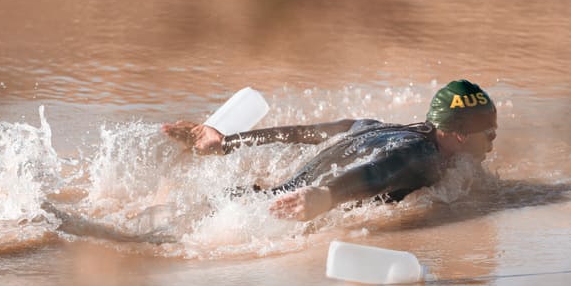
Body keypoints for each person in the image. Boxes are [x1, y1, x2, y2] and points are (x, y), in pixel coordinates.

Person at [162, 79, 498, 221]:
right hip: (280, 214)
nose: (492, 144)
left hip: (255, 200)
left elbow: (304, 133)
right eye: (490, 134)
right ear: (460, 134)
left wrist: (226, 143)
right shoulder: (425, 158)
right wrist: (327, 195)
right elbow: (380, 173)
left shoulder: (373, 126)